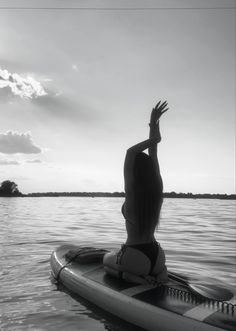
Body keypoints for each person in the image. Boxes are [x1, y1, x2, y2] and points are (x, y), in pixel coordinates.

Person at [103, 101, 169, 285]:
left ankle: (130, 276)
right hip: (158, 256)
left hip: (135, 256)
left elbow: (130, 152)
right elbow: (153, 154)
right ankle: (161, 274)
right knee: (154, 268)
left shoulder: (132, 192)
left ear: (134, 173)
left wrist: (155, 135)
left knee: (106, 260)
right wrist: (154, 124)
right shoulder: (157, 188)